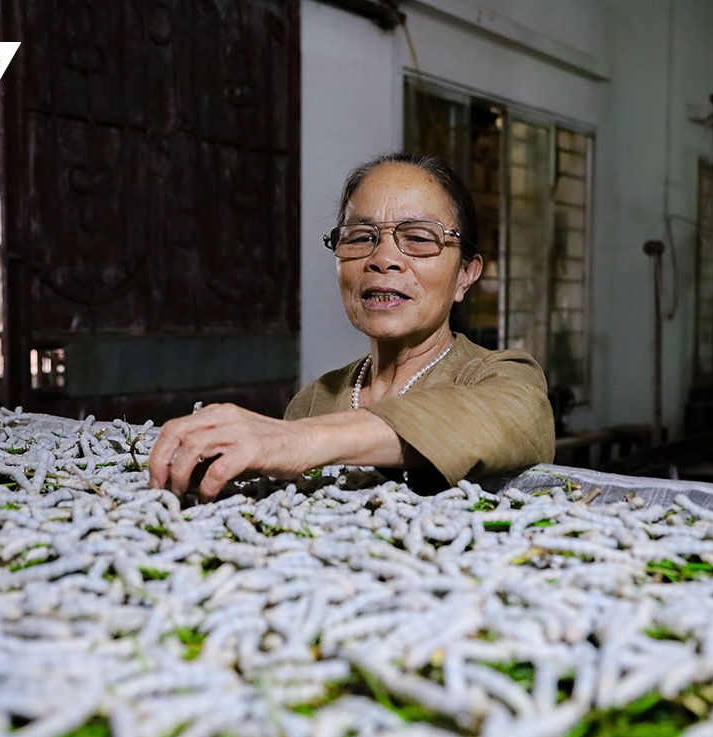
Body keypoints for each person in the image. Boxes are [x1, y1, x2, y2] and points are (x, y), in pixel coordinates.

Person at [148, 152, 554, 500]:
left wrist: (297, 440)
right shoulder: (315, 400)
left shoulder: (504, 378)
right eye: (360, 237)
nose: (383, 259)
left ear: (466, 274)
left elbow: (499, 415)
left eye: (418, 237)